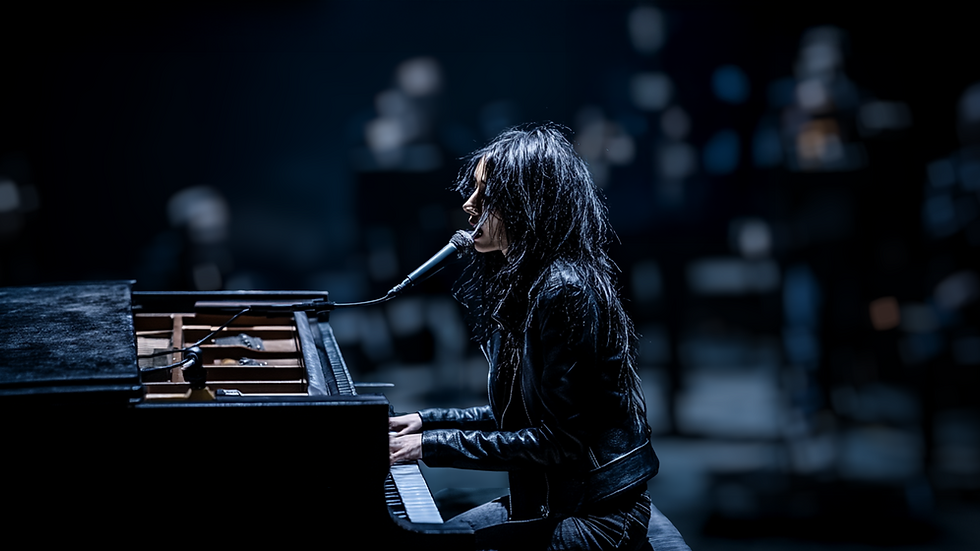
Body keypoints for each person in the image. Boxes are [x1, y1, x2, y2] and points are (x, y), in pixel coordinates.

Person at [388, 123, 683, 550]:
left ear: (527, 203)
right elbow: (522, 412)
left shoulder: (564, 290)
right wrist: (426, 421)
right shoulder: (525, 283)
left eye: (485, 194)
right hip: (552, 500)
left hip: (597, 514)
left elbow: (560, 441)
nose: (469, 205)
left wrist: (431, 447)